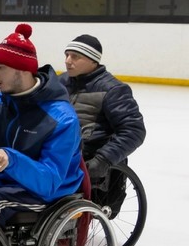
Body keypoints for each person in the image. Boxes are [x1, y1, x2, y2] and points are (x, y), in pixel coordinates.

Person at [0, 24, 84, 226]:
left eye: (0, 67)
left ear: (23, 69)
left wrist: (11, 159)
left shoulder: (62, 118)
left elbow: (49, 181)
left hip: (46, 193)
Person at [59, 34, 147, 181]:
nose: (67, 61)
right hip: (57, 154)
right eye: (67, 55)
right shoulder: (60, 82)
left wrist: (103, 159)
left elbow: (134, 130)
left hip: (87, 160)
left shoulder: (113, 90)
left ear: (93, 60)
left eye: (75, 57)